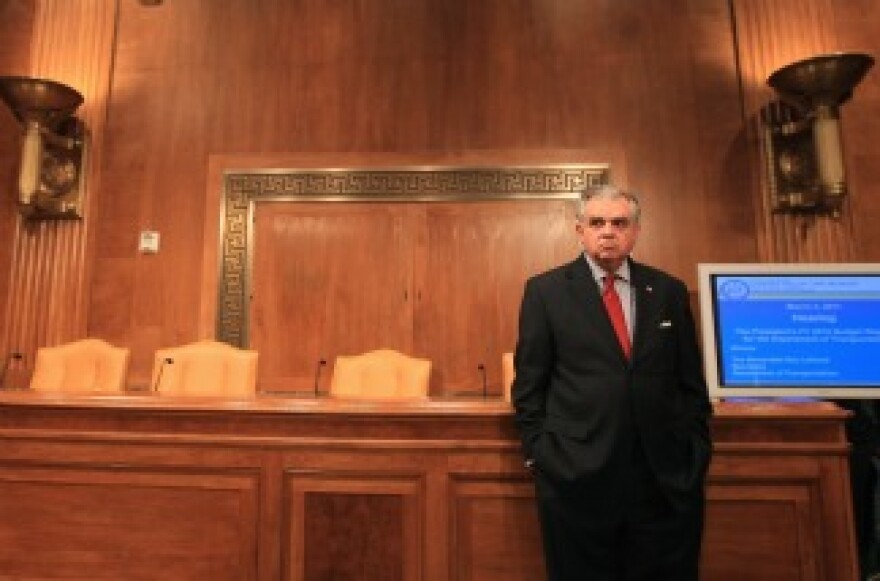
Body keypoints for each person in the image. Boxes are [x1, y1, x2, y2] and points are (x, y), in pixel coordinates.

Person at [512, 184, 713, 580]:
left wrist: (696, 450)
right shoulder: (546, 292)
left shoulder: (668, 291)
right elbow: (529, 385)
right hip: (577, 476)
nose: (608, 231)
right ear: (579, 230)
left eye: (619, 223)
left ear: (635, 231)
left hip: (662, 477)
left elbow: (690, 380)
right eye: (597, 222)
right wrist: (541, 455)